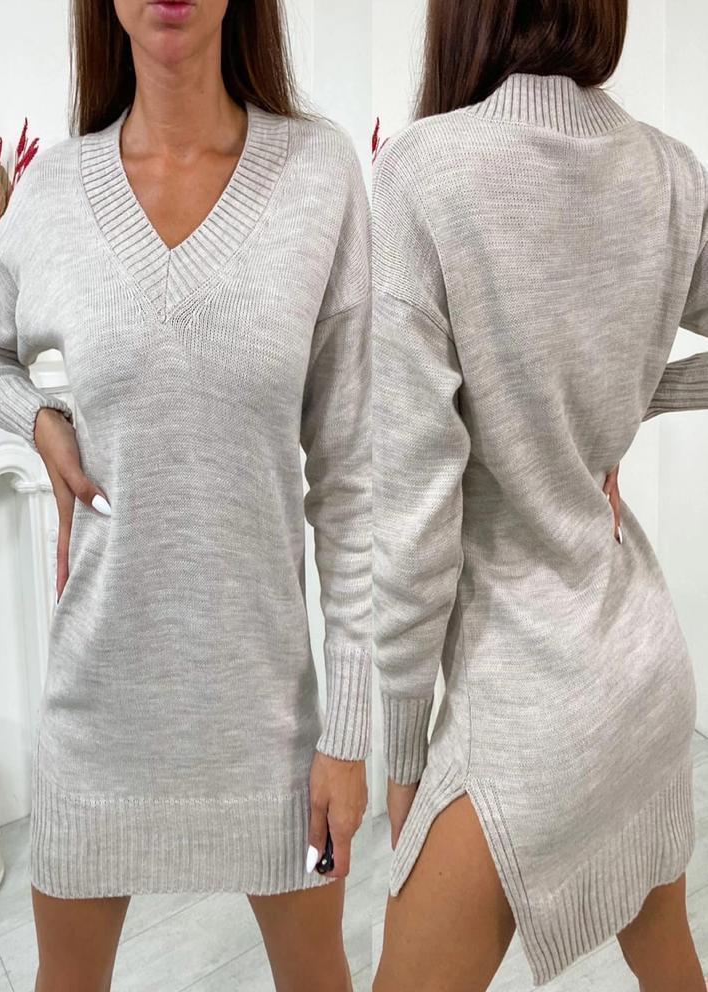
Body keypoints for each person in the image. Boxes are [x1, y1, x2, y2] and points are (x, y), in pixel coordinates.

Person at [0, 1, 371, 989]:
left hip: (271, 732)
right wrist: (39, 417)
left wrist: (348, 734)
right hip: (95, 721)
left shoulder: (319, 175)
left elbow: (352, 481)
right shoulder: (52, 191)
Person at [372, 1, 708, 989]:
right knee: (669, 959)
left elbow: (414, 518)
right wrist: (636, 397)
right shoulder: (670, 174)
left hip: (522, 702)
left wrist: (401, 756)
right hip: (643, 665)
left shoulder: (425, 173)